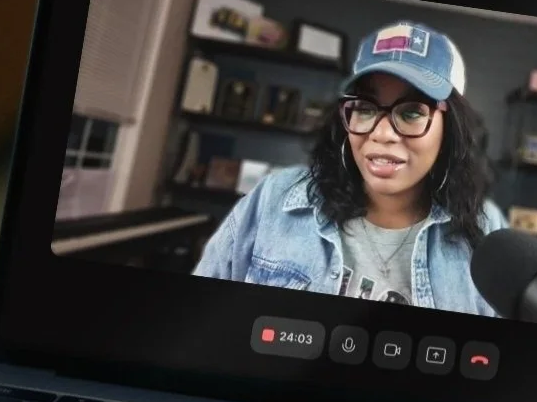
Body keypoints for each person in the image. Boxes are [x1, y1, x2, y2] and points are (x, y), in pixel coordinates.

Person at [193, 21, 508, 316]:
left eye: (412, 112)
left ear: (450, 128)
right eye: (366, 108)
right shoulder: (273, 200)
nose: (381, 133)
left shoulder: (485, 229)